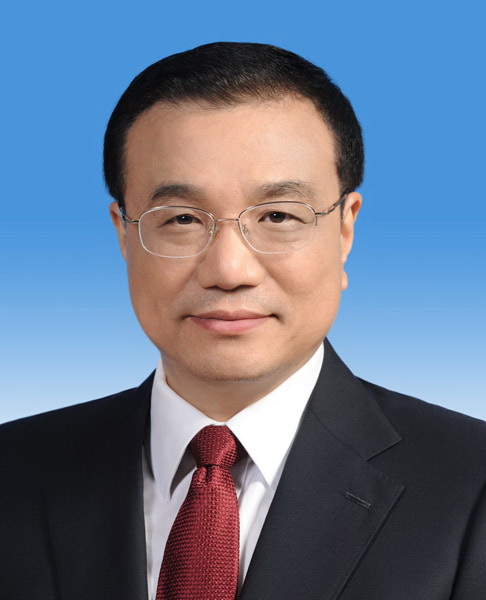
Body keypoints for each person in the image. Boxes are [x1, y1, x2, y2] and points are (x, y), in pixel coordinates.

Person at [0, 42, 485, 600]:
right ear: (124, 233)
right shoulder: (13, 473)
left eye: (277, 215)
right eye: (181, 219)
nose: (229, 271)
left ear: (345, 230)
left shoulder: (472, 488)